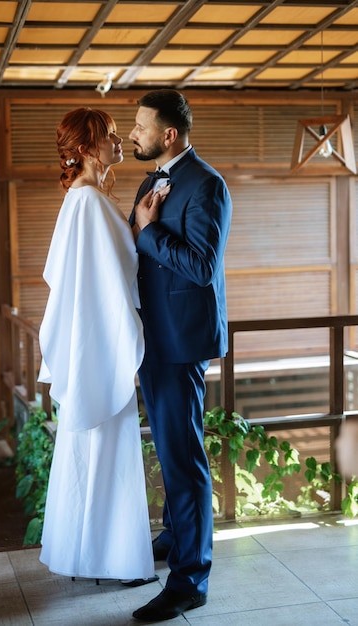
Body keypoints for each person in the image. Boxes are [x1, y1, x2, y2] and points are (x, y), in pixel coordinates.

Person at [37, 107, 166, 584]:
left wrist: (133, 227)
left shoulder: (80, 198)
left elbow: (103, 265)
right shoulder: (89, 201)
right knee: (108, 454)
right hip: (100, 346)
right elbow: (116, 272)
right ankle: (113, 559)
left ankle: (87, 556)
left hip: (90, 344)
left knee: (89, 454)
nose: (119, 142)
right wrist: (143, 229)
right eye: (110, 136)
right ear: (88, 148)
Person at [129, 89, 233, 622]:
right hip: (154, 338)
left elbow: (199, 266)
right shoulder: (152, 180)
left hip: (181, 340)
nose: (133, 134)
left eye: (141, 127)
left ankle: (191, 579)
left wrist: (146, 232)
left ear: (168, 134)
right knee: (170, 449)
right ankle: (174, 535)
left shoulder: (207, 185)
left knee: (183, 456)